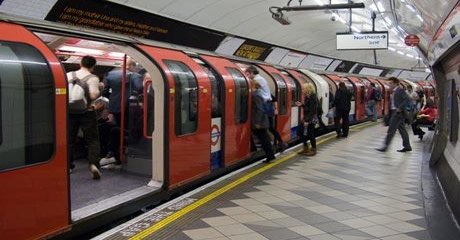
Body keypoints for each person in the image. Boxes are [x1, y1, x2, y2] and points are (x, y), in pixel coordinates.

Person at [101, 58, 143, 166]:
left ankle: (113, 153)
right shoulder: (135, 76)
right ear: (132, 66)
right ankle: (125, 153)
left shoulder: (109, 74)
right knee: (127, 131)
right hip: (130, 108)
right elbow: (139, 89)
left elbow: (105, 92)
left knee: (118, 129)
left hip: (114, 107)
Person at [67, 55, 102, 179]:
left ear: (80, 63)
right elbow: (93, 95)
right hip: (87, 111)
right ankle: (94, 164)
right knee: (92, 139)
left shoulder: (69, 75)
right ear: (93, 66)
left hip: (70, 111)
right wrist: (99, 89)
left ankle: (68, 166)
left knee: (69, 139)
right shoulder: (93, 78)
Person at [376, 77, 412, 152]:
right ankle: (407, 146)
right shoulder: (394, 91)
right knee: (402, 130)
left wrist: (400, 108)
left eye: (391, 83)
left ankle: (385, 147)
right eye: (389, 83)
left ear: (396, 83)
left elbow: (408, 99)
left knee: (391, 130)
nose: (389, 85)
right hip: (394, 111)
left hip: (397, 113)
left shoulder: (400, 90)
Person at [251, 80, 276, 163]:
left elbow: (260, 110)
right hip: (262, 121)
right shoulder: (259, 94)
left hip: (260, 122)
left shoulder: (256, 95)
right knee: (264, 139)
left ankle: (270, 156)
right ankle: (270, 156)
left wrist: (257, 122)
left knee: (264, 140)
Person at [296, 83, 318, 156]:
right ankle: (305, 148)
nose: (302, 90)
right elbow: (307, 108)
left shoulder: (313, 97)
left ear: (308, 89)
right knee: (300, 132)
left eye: (303, 88)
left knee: (310, 134)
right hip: (306, 117)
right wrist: (302, 105)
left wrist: (307, 121)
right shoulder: (307, 97)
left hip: (310, 118)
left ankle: (313, 149)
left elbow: (312, 110)